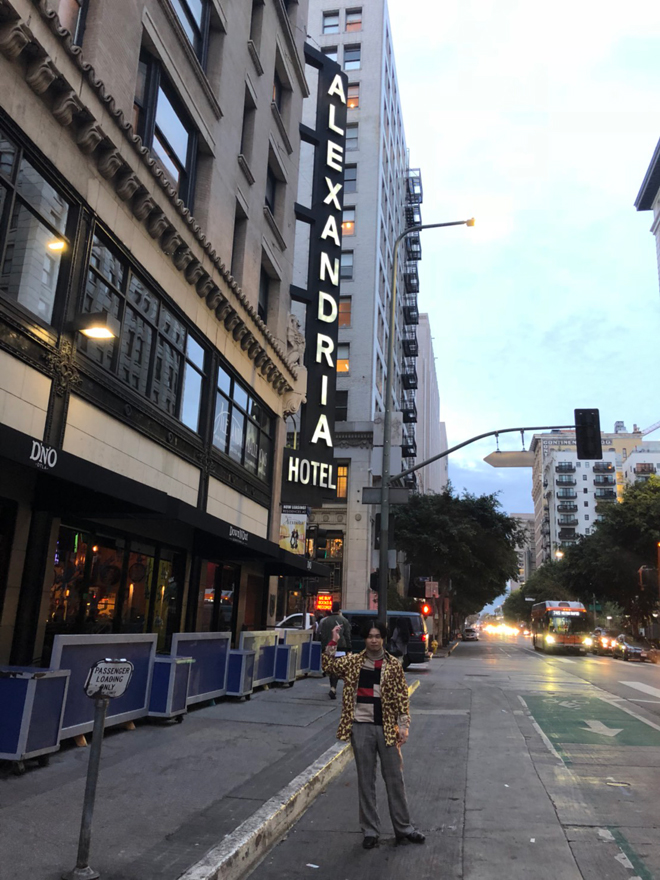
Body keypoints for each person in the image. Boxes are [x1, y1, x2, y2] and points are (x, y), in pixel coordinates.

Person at [322, 619, 425, 849]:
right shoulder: (353, 662)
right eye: (370, 636)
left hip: (387, 727)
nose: (374, 640)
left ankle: (404, 828)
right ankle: (370, 831)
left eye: (378, 636)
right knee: (366, 781)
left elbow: (401, 697)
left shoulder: (393, 665)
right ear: (365, 639)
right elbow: (328, 666)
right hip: (361, 727)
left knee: (395, 779)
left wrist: (404, 725)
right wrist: (333, 641)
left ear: (383, 638)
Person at [318, 601, 352, 700]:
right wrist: (349, 648)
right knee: (338, 667)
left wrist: (323, 648)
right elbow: (347, 635)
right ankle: (334, 688)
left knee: (331, 667)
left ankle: (332, 687)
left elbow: (323, 636)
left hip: (329, 647)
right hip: (341, 647)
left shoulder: (325, 621)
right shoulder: (344, 620)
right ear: (339, 608)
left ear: (331, 609)